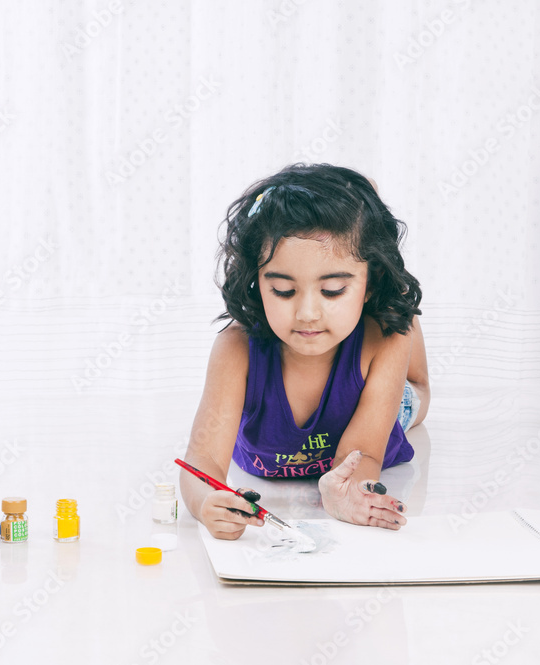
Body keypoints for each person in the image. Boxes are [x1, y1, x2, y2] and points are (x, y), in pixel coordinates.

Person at [180, 163, 430, 540]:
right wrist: (205, 502)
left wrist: (342, 492)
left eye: (332, 291)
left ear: (368, 281)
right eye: (283, 290)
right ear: (256, 282)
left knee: (408, 358)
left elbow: (362, 453)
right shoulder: (236, 349)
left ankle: (392, 298)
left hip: (391, 400)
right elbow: (203, 461)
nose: (307, 313)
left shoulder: (383, 340)